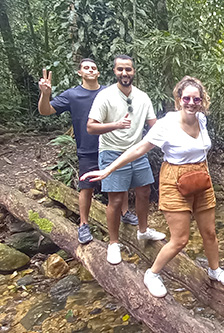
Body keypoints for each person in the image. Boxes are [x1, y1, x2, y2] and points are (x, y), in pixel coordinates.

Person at [81, 76, 224, 297]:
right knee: (180, 240)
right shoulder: (167, 124)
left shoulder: (201, 119)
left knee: (209, 232)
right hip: (174, 181)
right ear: (179, 99)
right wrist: (109, 169)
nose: (191, 103)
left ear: (202, 101)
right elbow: (139, 149)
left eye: (196, 99)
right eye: (187, 98)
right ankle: (152, 274)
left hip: (201, 179)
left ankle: (215, 270)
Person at [38, 58, 139, 245]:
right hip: (87, 148)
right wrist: (45, 94)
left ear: (98, 73)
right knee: (86, 186)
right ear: (80, 73)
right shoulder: (72, 95)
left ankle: (125, 213)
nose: (90, 70)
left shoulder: (110, 92)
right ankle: (83, 224)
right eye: (86, 68)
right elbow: (46, 111)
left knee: (120, 181)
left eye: (94, 68)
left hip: (112, 145)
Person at [87, 55, 165, 265]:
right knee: (116, 200)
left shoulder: (143, 97)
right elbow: (91, 127)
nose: (124, 73)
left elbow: (154, 125)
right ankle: (113, 243)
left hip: (137, 151)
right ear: (114, 71)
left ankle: (143, 230)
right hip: (111, 151)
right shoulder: (105, 96)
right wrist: (115, 125)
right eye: (120, 69)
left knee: (145, 191)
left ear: (133, 71)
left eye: (128, 69)